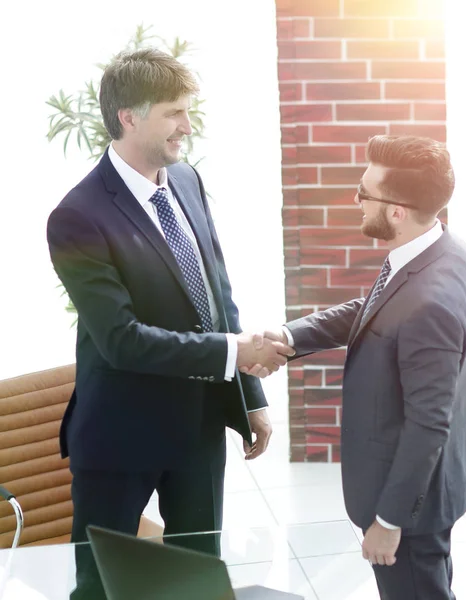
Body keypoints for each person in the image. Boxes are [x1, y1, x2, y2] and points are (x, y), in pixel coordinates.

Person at [46, 48, 293, 598]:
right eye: (173, 113)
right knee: (100, 586)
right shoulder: (77, 216)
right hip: (119, 434)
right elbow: (121, 340)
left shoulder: (186, 181)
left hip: (199, 427)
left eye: (188, 109)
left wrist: (249, 395)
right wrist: (236, 352)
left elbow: (215, 294)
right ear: (129, 117)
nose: (187, 125)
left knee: (197, 581)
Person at [245, 135, 466, 599]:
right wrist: (290, 337)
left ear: (396, 210)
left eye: (363, 193)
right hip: (433, 488)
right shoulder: (439, 251)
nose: (355, 201)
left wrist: (389, 522)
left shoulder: (430, 302)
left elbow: (428, 423)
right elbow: (372, 310)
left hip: (410, 508)